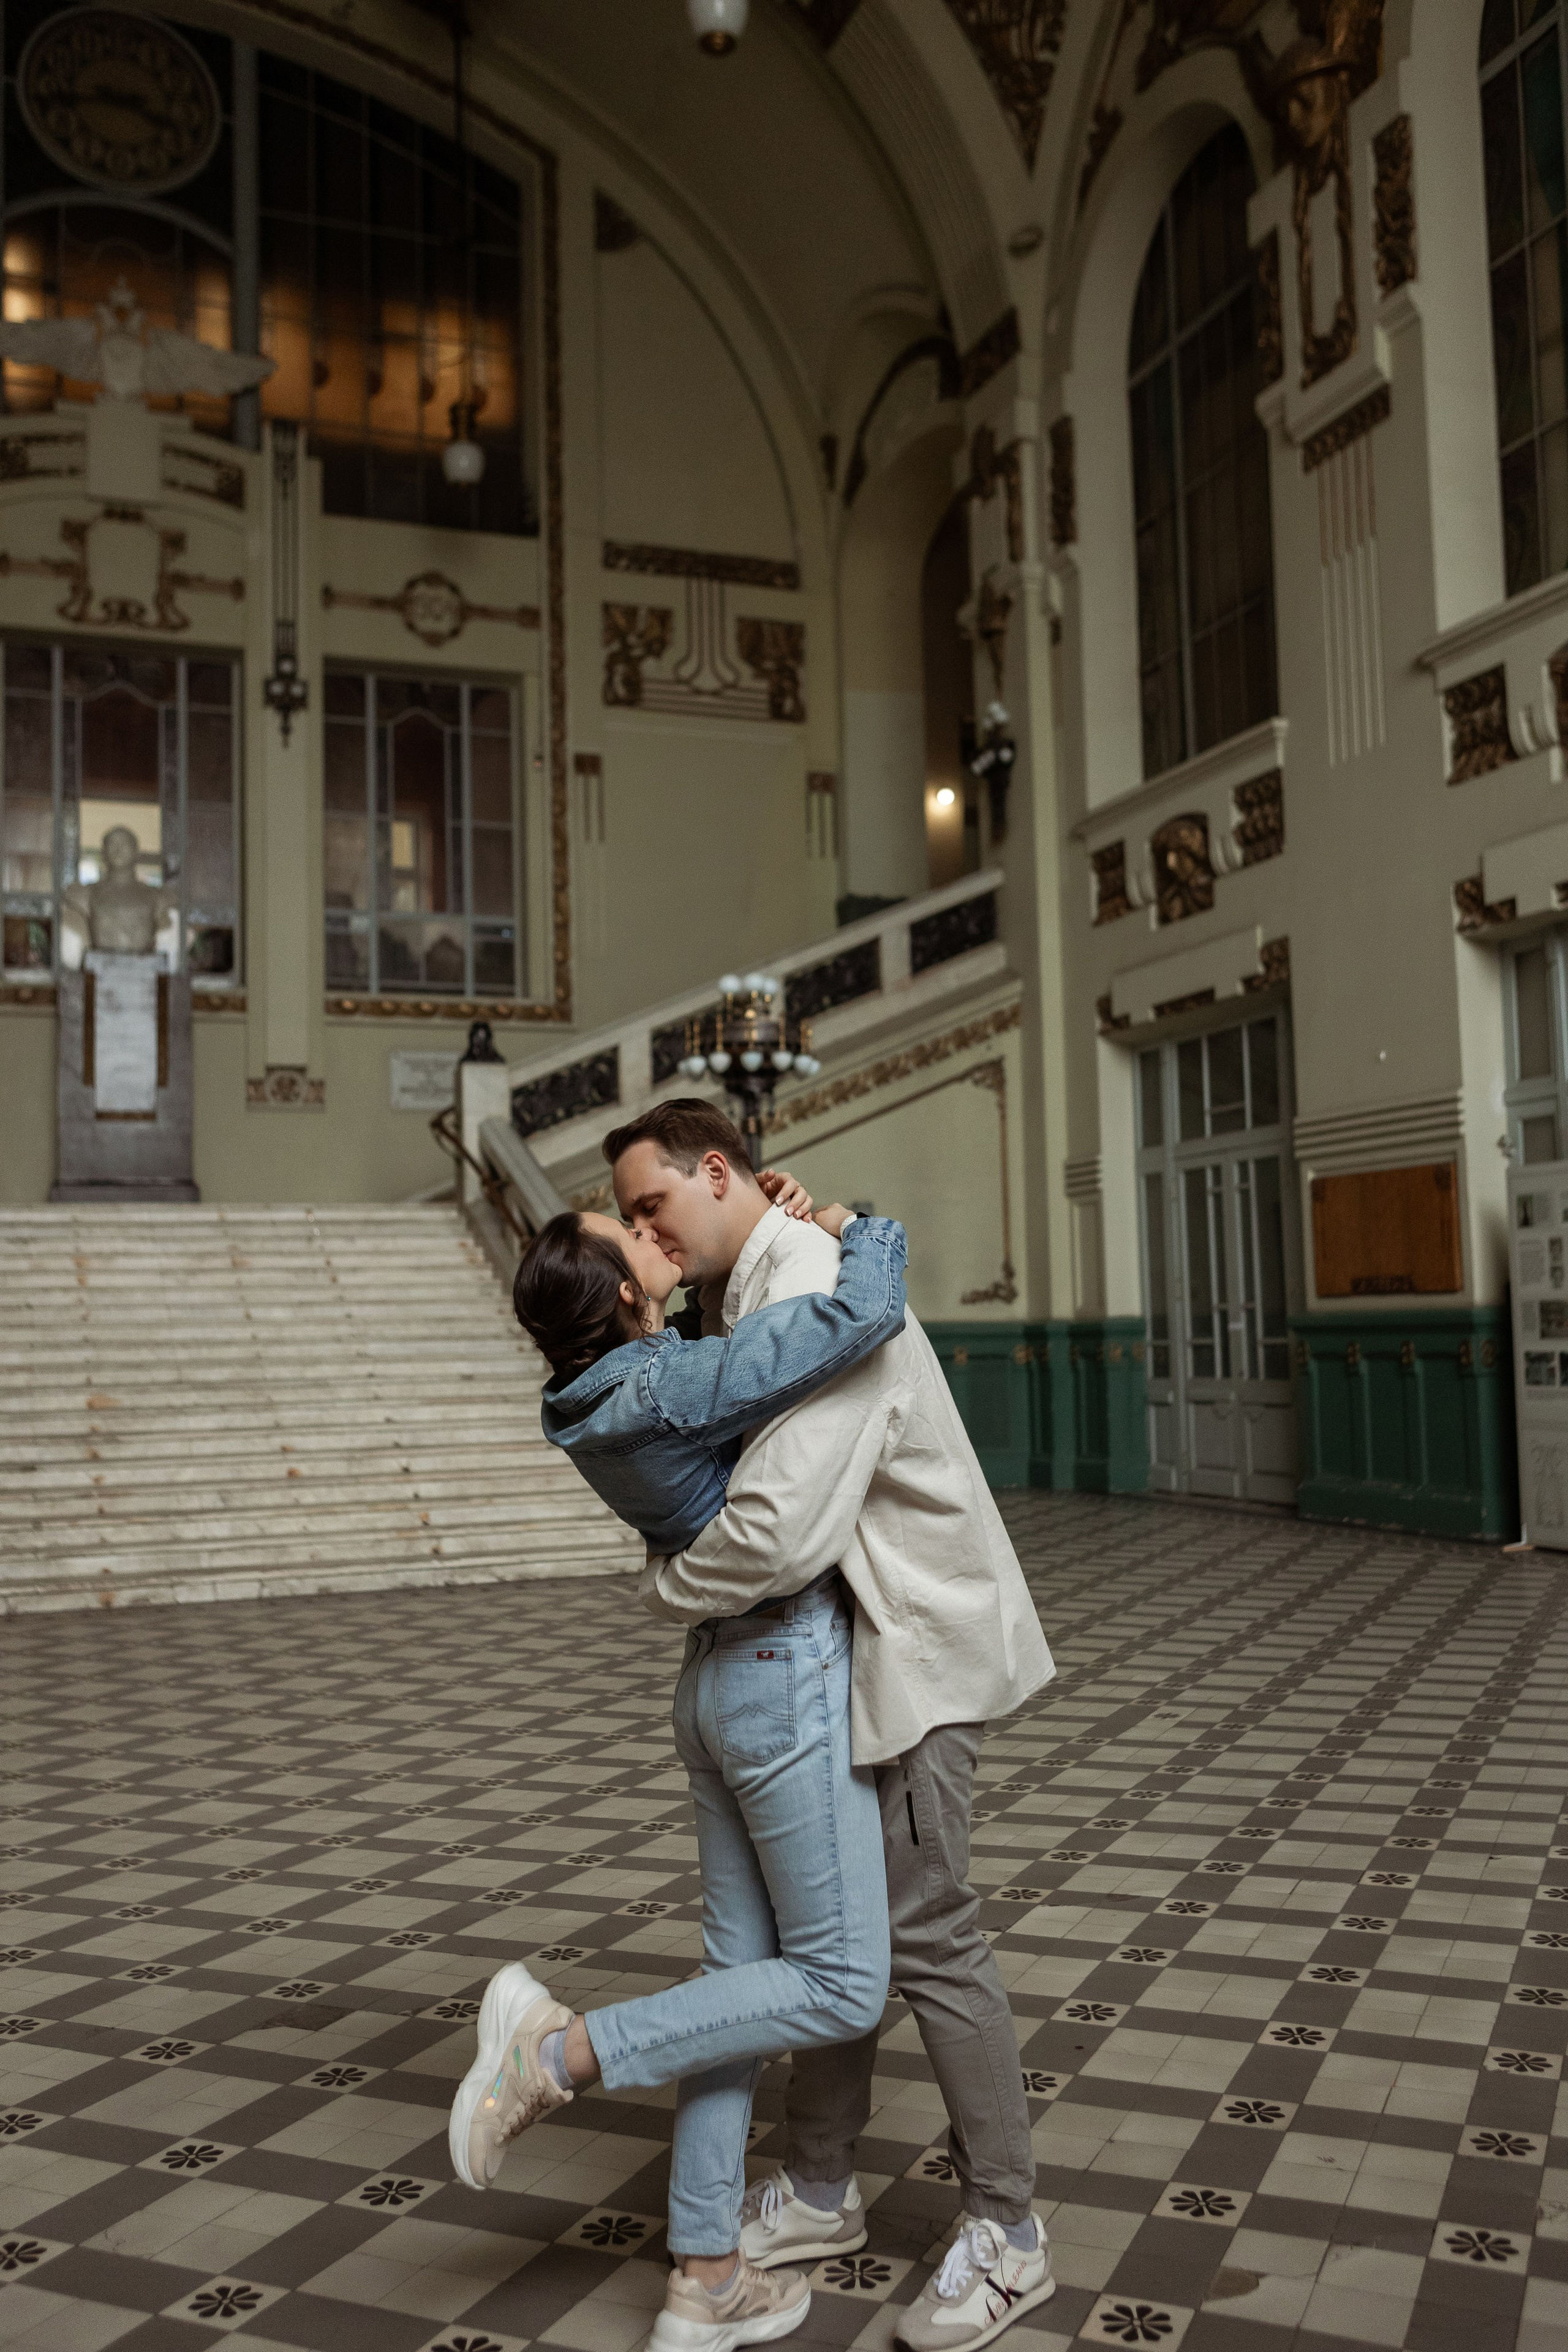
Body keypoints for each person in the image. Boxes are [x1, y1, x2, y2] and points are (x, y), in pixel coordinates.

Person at [608, 1099, 1057, 2352]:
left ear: (715, 1172)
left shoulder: (805, 1277)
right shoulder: (758, 1285)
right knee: (834, 1933)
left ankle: (1010, 2235)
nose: (646, 1233)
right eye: (630, 1218)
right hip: (844, 1656)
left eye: (652, 1204)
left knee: (926, 1938)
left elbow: (780, 1531)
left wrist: (661, 1589)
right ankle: (816, 2192)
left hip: (907, 1652)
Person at [449, 1194, 910, 2352]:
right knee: (845, 1984)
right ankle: (558, 2053)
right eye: (630, 1235)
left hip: (715, 1682)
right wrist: (866, 1221)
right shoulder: (662, 1386)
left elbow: (717, 1353)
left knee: (737, 1993)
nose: (652, 1236)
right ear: (616, 1294)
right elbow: (863, 1310)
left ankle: (706, 2273)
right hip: (780, 1670)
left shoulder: (584, 1397)